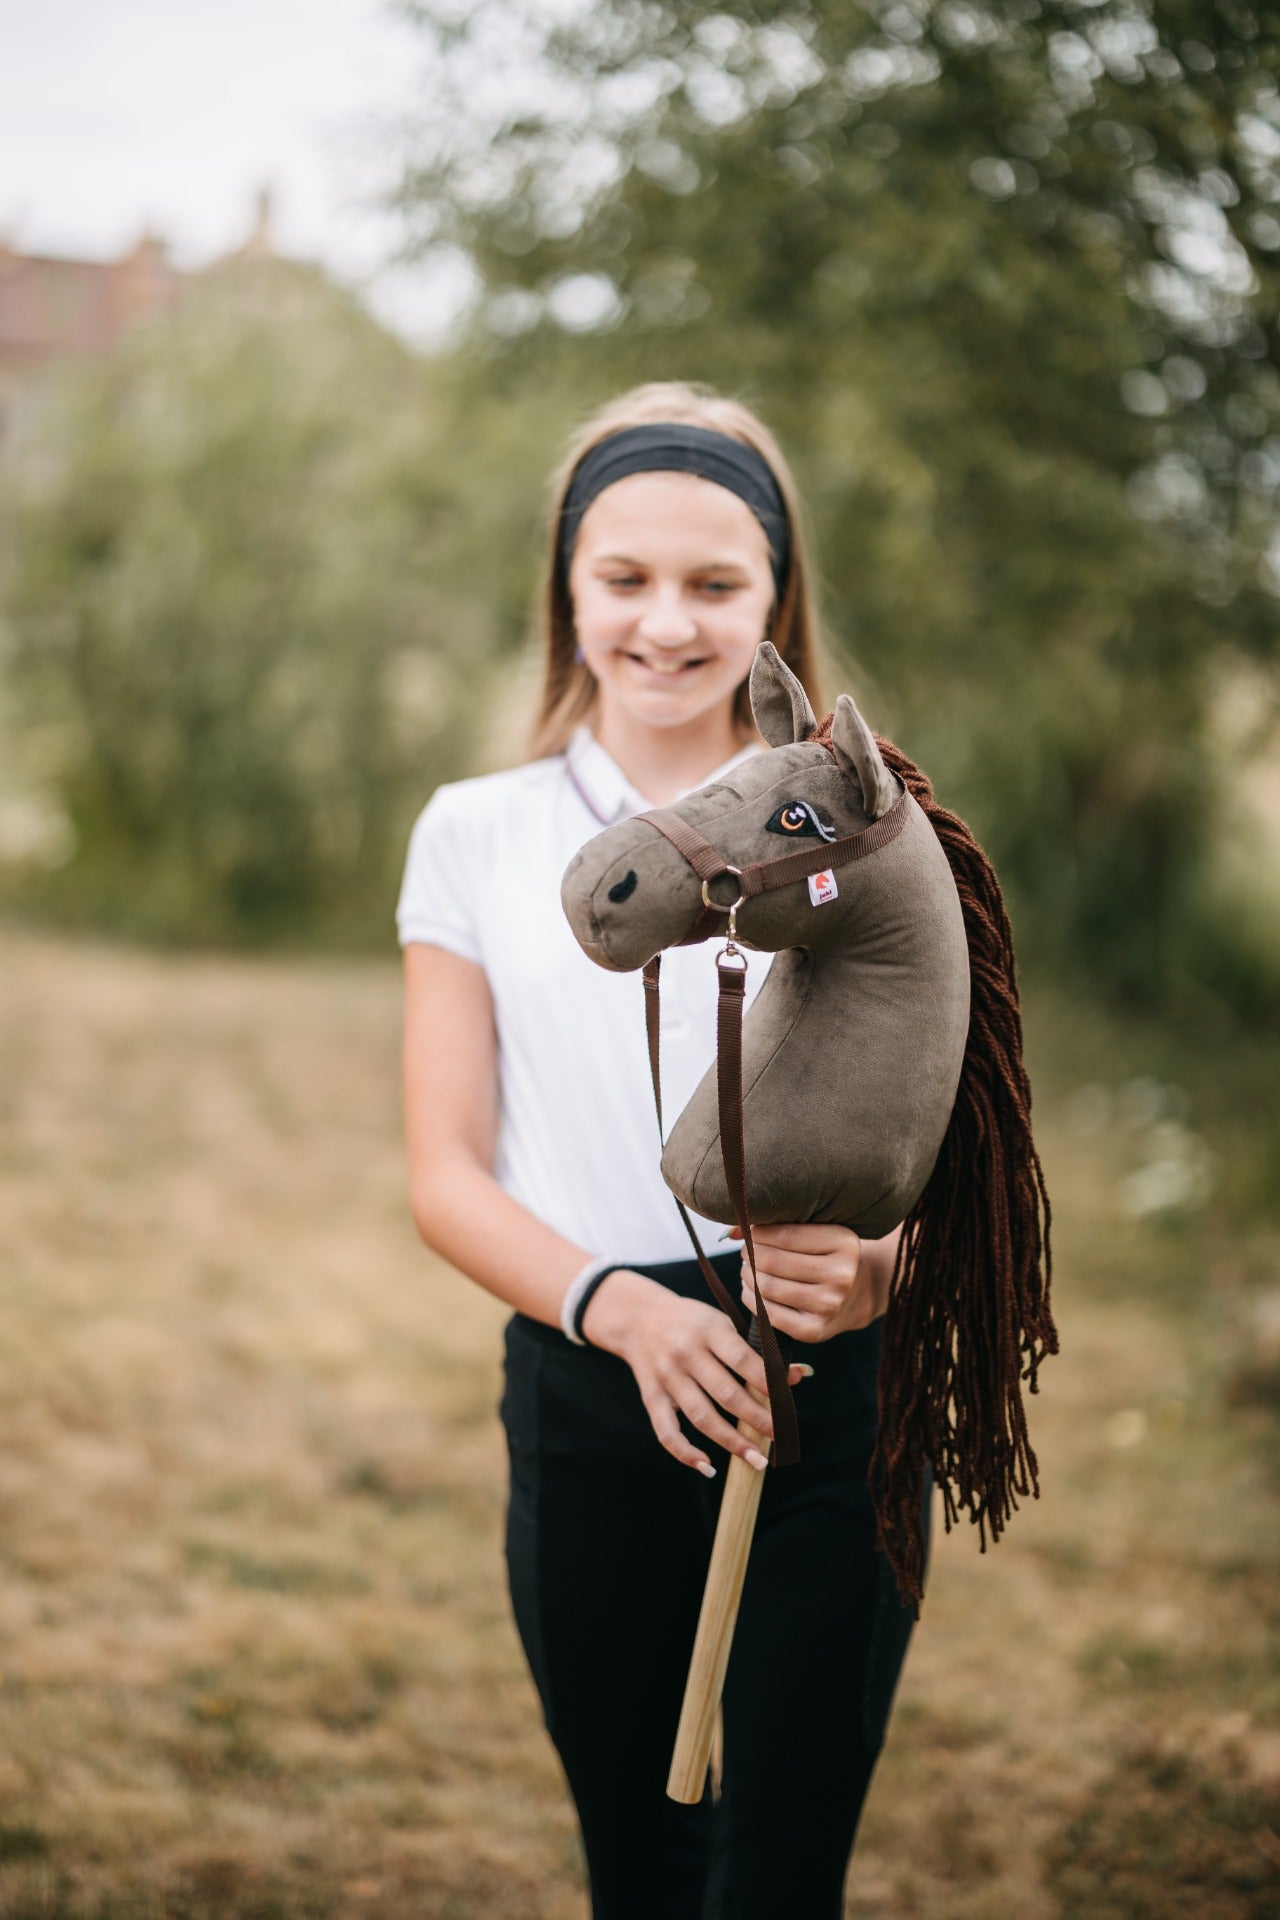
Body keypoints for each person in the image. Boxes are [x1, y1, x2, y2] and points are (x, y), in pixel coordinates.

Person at [397, 381, 927, 1920]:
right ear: (569, 590)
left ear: (777, 596)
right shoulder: (477, 832)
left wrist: (885, 1263)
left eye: (716, 582)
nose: (668, 623)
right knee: (642, 1867)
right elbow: (444, 1173)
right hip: (590, 1391)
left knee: (776, 1876)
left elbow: (962, 1149)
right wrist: (619, 1312)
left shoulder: (876, 829)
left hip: (832, 1412)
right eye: (624, 578)